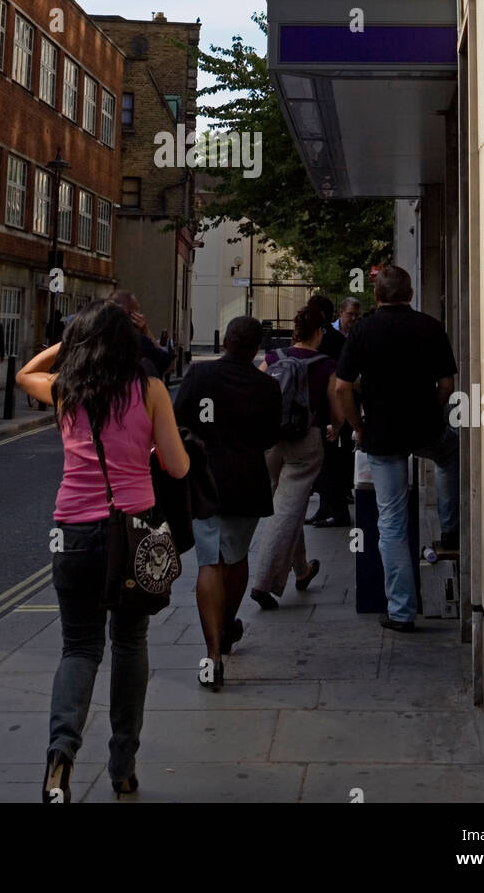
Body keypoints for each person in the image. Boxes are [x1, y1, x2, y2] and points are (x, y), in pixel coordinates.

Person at [16, 300, 190, 803]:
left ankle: (59, 759)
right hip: (133, 532)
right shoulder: (150, 389)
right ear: (128, 344)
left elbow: (27, 372)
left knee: (79, 647)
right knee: (130, 644)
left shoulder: (67, 389)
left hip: (72, 530)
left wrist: (69, 346)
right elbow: (177, 468)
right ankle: (123, 767)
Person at [334, 265, 459, 632]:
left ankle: (402, 611)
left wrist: (358, 426)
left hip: (382, 434)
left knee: (391, 521)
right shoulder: (431, 327)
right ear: (410, 294)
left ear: (377, 296)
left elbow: (342, 387)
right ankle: (450, 529)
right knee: (450, 456)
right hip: (424, 427)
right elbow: (447, 384)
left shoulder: (363, 330)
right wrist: (431, 410)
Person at [174, 316, 283, 689]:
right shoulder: (267, 387)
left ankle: (213, 654)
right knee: (235, 559)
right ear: (255, 348)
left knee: (209, 561)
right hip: (247, 483)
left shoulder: (200, 377)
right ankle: (225, 627)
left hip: (206, 483)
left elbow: (178, 422)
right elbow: (271, 438)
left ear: (225, 342)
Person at [250, 304, 341, 609]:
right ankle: (263, 583)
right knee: (287, 510)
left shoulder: (274, 358)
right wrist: (336, 427)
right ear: (319, 332)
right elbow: (336, 404)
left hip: (272, 441)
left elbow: (256, 393)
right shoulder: (326, 365)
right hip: (305, 441)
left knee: (289, 506)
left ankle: (301, 571)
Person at [305, 295, 353, 527]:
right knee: (327, 462)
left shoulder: (324, 338)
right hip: (332, 406)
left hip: (328, 407)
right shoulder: (334, 338)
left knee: (330, 462)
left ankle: (336, 510)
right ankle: (326, 508)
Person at [109, 290, 173, 380]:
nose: (141, 315)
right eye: (137, 311)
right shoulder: (137, 342)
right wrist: (146, 331)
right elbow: (166, 365)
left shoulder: (95, 338)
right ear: (131, 316)